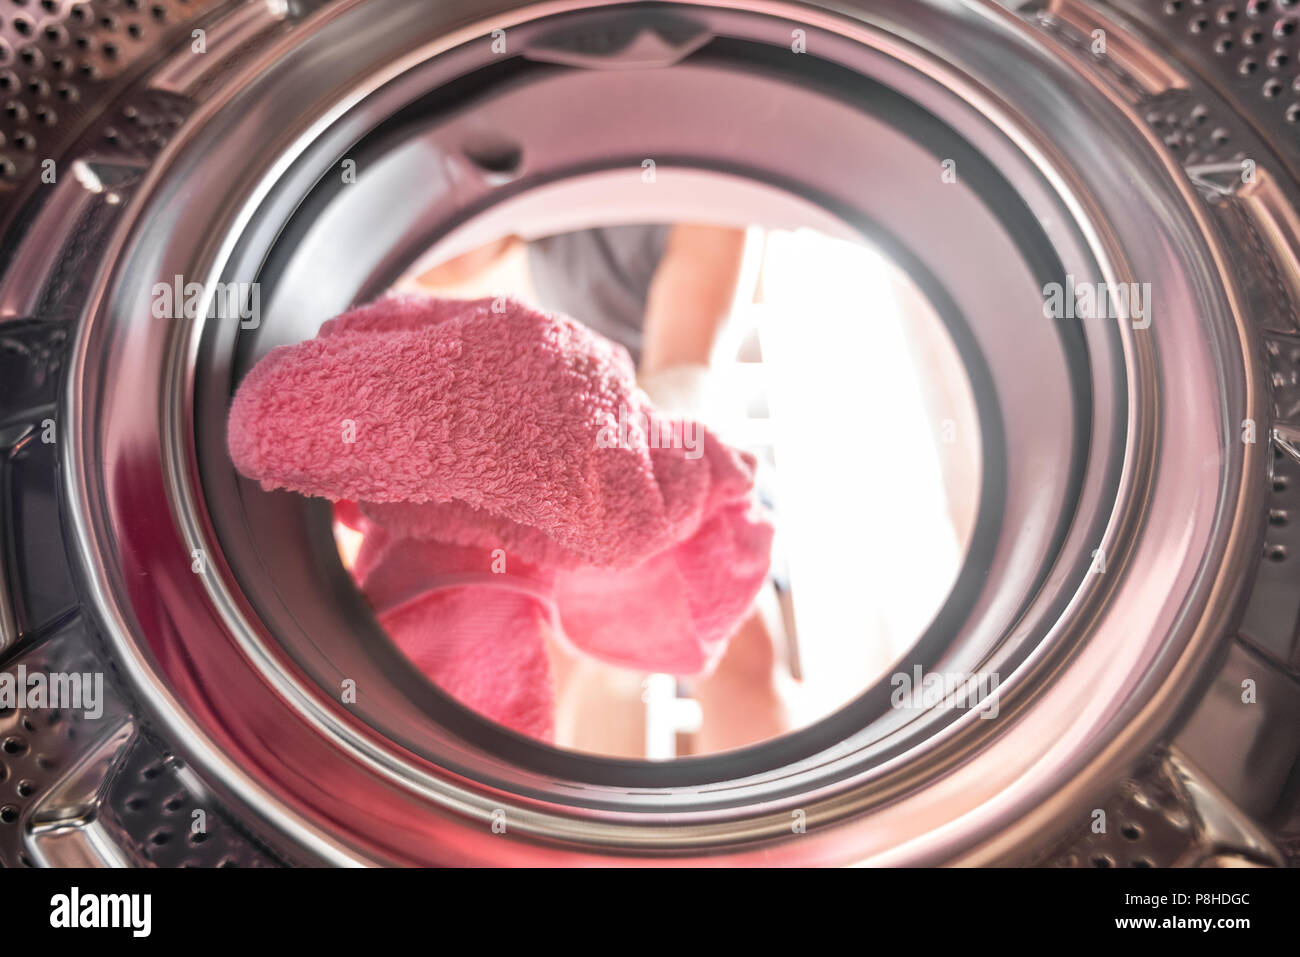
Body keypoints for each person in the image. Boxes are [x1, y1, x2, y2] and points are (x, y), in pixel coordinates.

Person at [415, 223, 795, 756]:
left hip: (684, 431)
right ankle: (518, 823)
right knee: (537, 657)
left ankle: (771, 830)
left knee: (737, 655)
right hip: (587, 439)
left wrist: (646, 457)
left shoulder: (704, 180)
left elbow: (689, 340)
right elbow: (449, 261)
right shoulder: (545, 182)